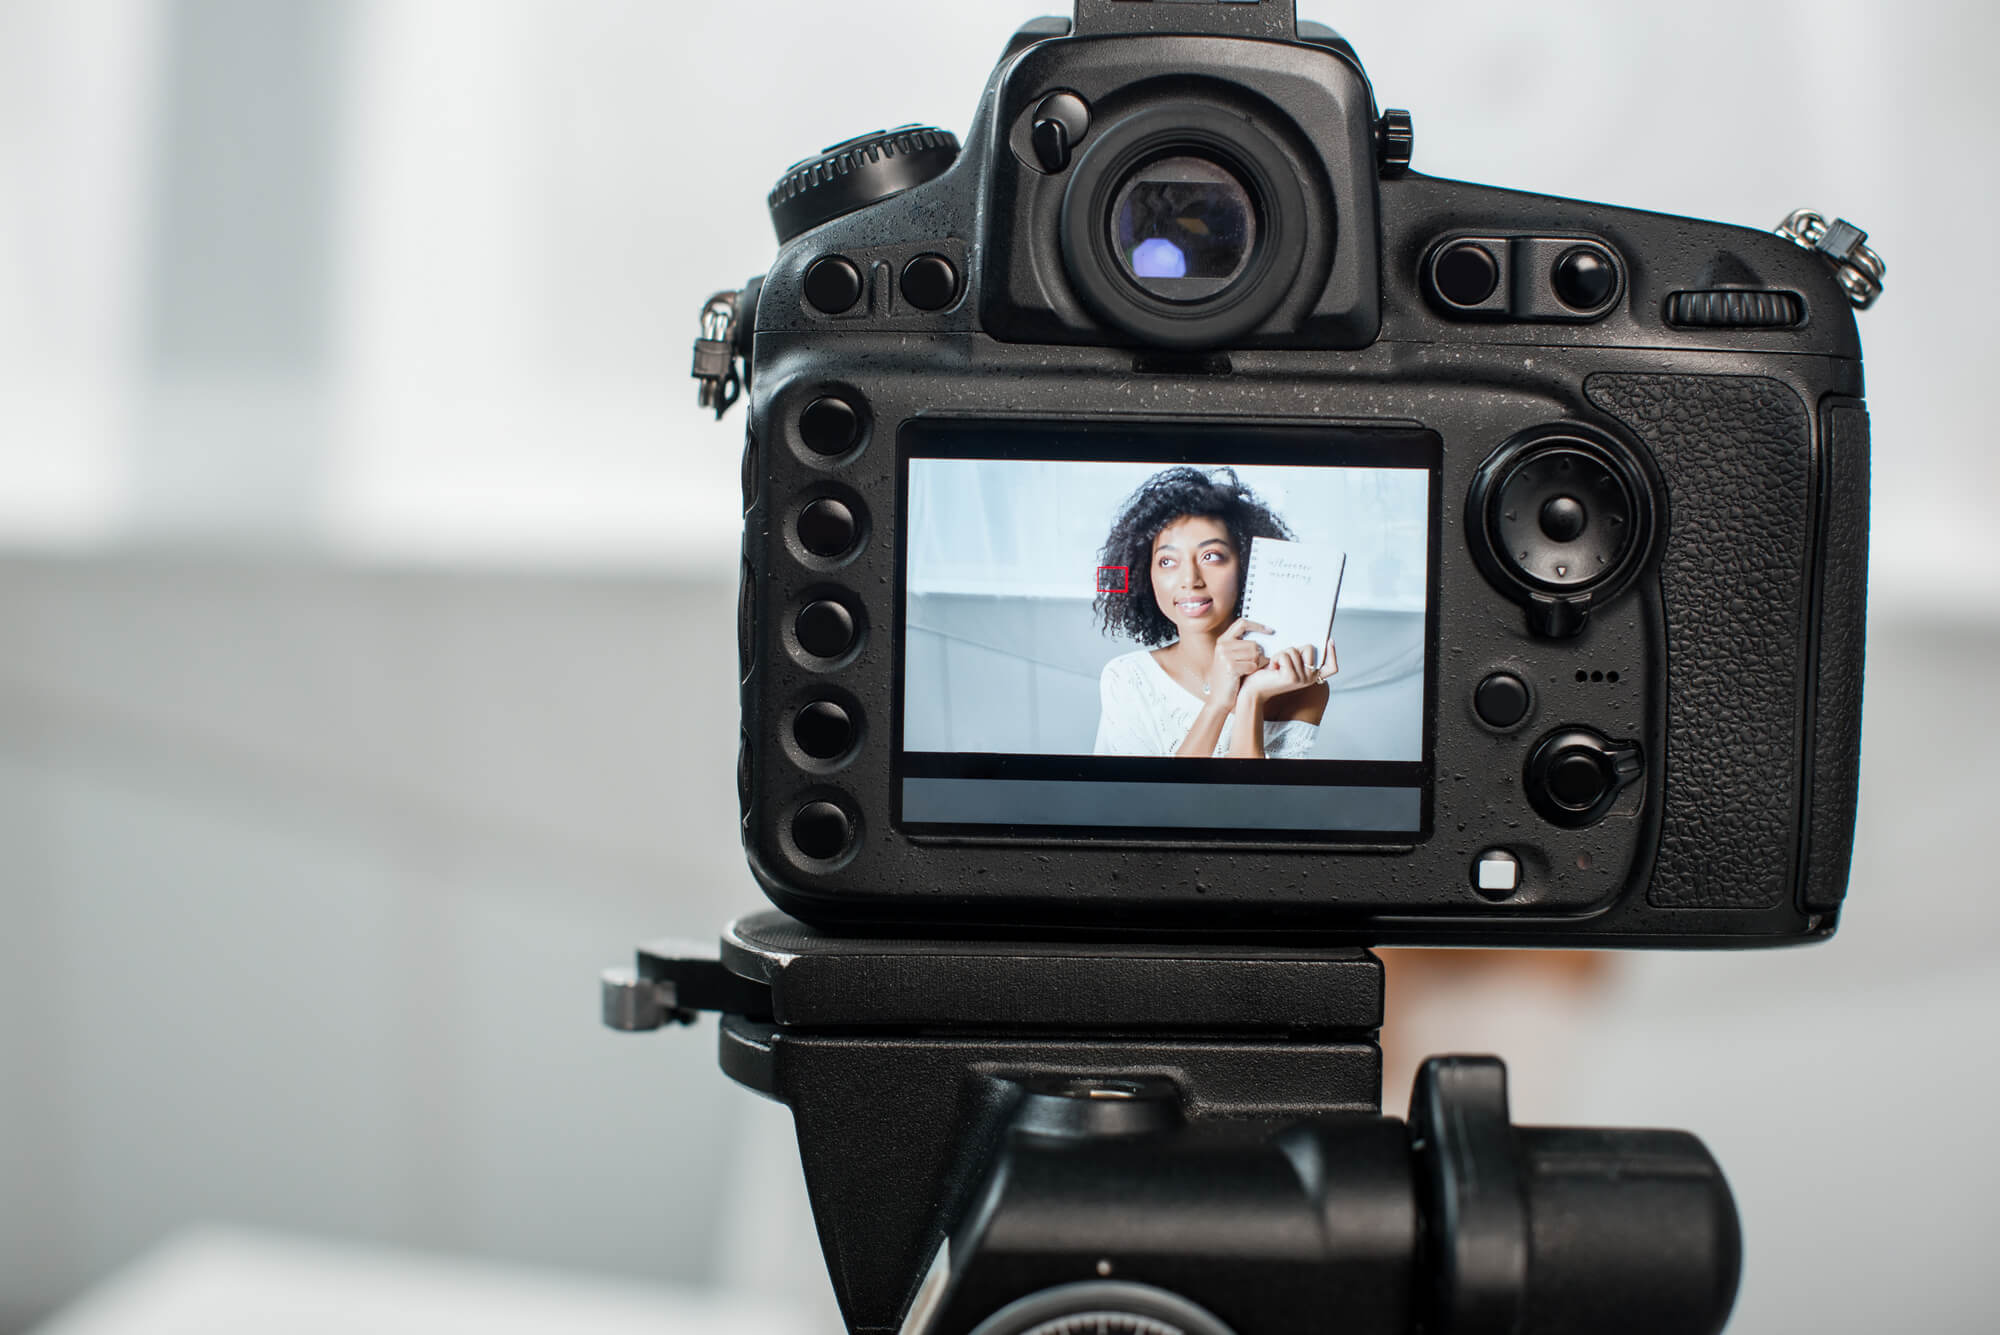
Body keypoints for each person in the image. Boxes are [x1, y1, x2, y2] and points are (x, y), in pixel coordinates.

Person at [1091, 466, 1335, 758]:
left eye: (1211, 556)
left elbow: (1255, 802)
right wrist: (1218, 702)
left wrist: (1250, 698)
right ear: (1147, 574)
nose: (1190, 579)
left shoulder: (1300, 687)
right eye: (1168, 561)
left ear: (1245, 566)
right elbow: (1154, 800)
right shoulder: (1127, 678)